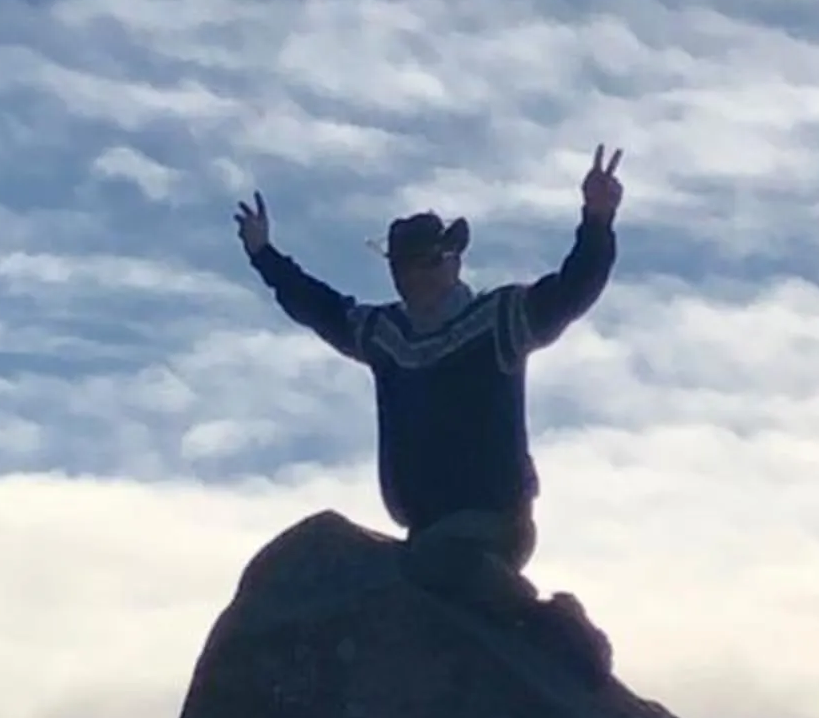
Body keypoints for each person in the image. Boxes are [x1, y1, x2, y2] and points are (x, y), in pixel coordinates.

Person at [235, 150, 623, 641]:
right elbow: (318, 306)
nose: (415, 275)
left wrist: (597, 221)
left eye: (428, 262)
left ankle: (547, 625)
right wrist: (264, 255)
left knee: (432, 567)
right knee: (397, 574)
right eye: (404, 265)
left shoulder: (499, 318)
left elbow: (573, 289)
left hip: (493, 523)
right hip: (425, 530)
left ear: (453, 261)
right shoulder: (386, 334)